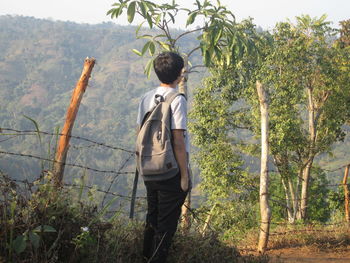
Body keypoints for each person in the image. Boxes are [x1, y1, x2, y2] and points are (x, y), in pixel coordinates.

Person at [136, 51, 190, 263]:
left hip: (149, 168)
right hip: (170, 170)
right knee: (166, 227)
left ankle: (145, 257)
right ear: (179, 74)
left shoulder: (145, 98)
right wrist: (184, 176)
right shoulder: (177, 99)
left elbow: (139, 134)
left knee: (152, 219)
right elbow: (178, 141)